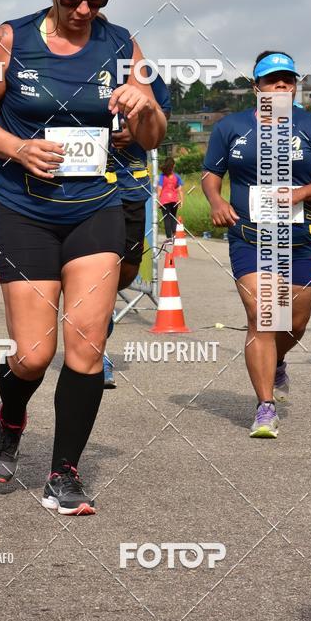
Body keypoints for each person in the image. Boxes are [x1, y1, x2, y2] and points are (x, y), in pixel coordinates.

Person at [0, 0, 166, 514]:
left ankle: (64, 475)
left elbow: (150, 137)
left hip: (94, 208)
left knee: (86, 347)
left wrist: (143, 105)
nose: (83, 9)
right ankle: (10, 415)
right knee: (31, 355)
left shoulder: (123, 46)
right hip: (23, 211)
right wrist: (17, 148)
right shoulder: (11, 39)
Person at [202, 51, 311, 438]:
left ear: (294, 86)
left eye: (287, 81)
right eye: (272, 81)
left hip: (300, 241)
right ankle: (265, 406)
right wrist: (216, 201)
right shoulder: (231, 127)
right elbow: (211, 175)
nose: (281, 87)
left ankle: (278, 358)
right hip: (250, 237)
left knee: (294, 323)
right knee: (265, 315)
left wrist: (298, 194)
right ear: (256, 87)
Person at [102, 74, 171, 388]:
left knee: (126, 271)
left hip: (129, 186)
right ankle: (95, 350)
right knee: (93, 276)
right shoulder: (64, 64)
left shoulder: (142, 72)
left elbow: (160, 123)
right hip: (82, 186)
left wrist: (134, 131)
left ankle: (97, 320)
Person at [158, 157, 184, 239]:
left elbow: (159, 189)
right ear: (174, 166)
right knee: (173, 217)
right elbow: (180, 190)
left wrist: (157, 201)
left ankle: (169, 238)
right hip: (174, 200)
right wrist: (181, 201)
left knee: (166, 218)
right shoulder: (177, 176)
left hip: (165, 200)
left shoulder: (162, 176)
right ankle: (175, 235)